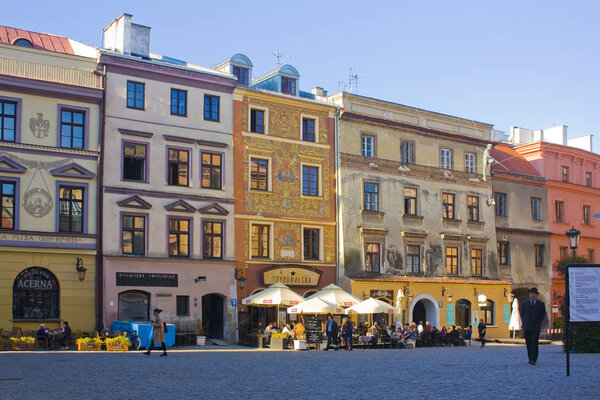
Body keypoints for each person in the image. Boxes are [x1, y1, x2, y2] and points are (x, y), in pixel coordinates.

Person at [520, 287, 547, 365]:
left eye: (534, 294)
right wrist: (525, 321)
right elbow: (522, 313)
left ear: (536, 295)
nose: (532, 295)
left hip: (536, 326)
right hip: (527, 326)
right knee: (528, 343)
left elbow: (543, 315)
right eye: (531, 294)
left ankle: (534, 359)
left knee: (534, 342)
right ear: (529, 295)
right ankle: (530, 358)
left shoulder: (541, 304)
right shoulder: (525, 303)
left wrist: (538, 322)